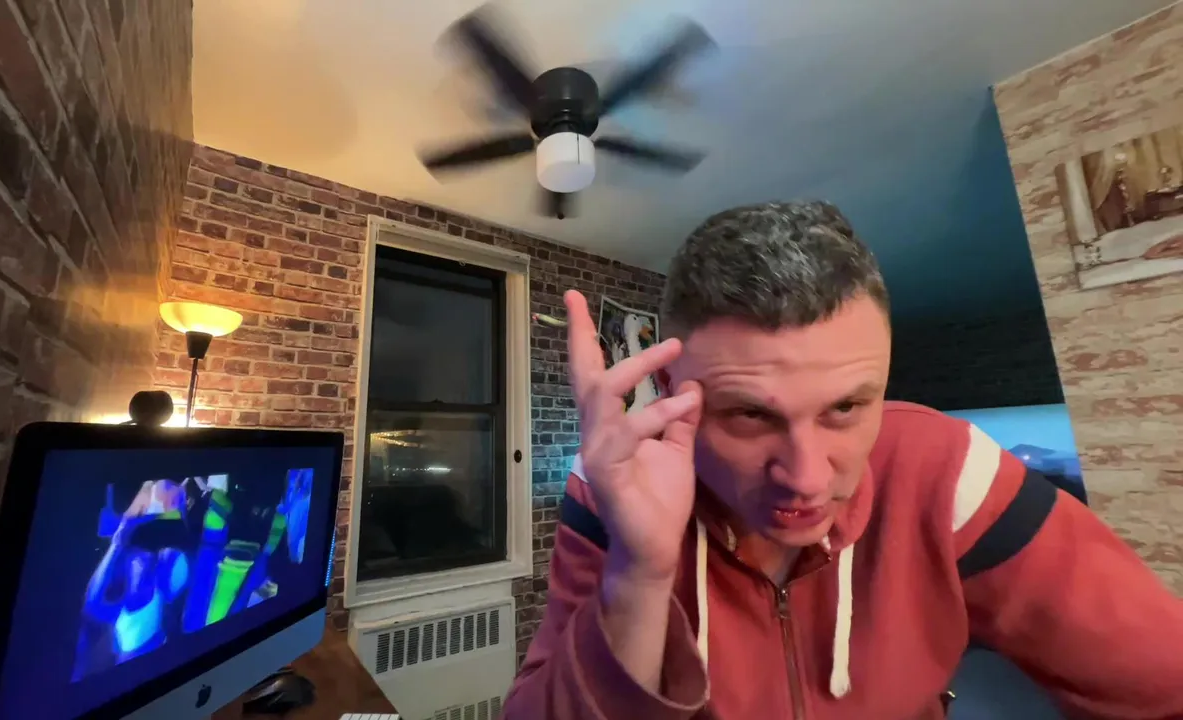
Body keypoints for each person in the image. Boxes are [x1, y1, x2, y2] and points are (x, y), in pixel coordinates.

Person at [501, 202, 1183, 720]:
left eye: (847, 407)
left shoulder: (949, 472)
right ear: (672, 393)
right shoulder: (616, 486)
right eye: (750, 415)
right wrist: (638, 575)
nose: (806, 477)